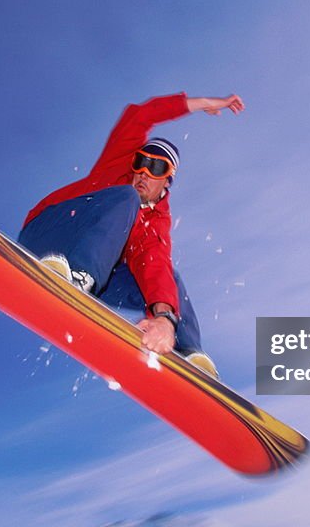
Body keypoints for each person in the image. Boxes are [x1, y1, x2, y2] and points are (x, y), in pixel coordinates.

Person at [17, 92, 245, 379]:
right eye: (141, 162)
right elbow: (140, 115)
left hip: (99, 274)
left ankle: (188, 354)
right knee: (126, 197)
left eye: (156, 167)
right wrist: (201, 104)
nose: (143, 173)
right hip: (47, 234)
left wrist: (163, 318)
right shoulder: (117, 170)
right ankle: (77, 277)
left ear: (168, 180)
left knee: (168, 278)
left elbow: (155, 267)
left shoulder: (156, 224)